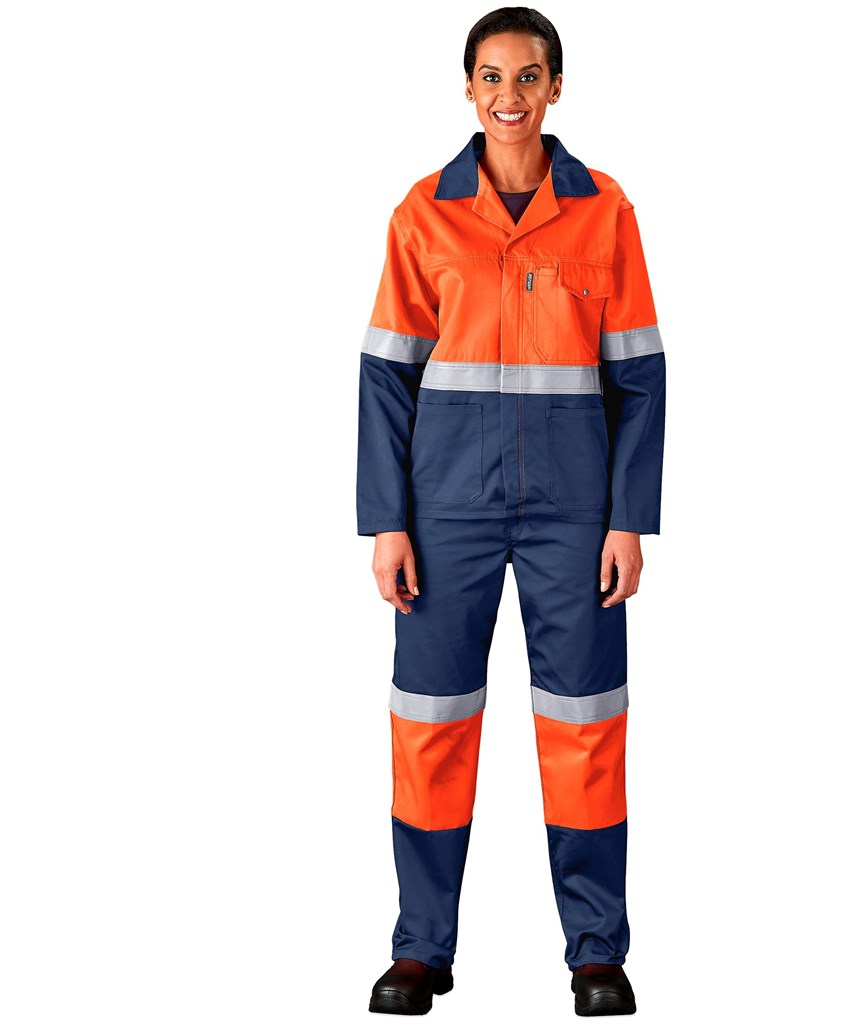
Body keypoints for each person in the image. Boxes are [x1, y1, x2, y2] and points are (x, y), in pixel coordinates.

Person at [357, 7, 665, 1016]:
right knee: (430, 719)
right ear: (467, 88)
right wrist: (386, 521)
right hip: (442, 508)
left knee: (586, 720)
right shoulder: (423, 213)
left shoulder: (605, 211)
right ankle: (421, 948)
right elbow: (385, 378)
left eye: (528, 75)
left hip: (576, 511)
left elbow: (641, 377)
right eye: (490, 76)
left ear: (556, 87)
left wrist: (628, 519)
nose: (509, 94)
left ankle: (596, 953)